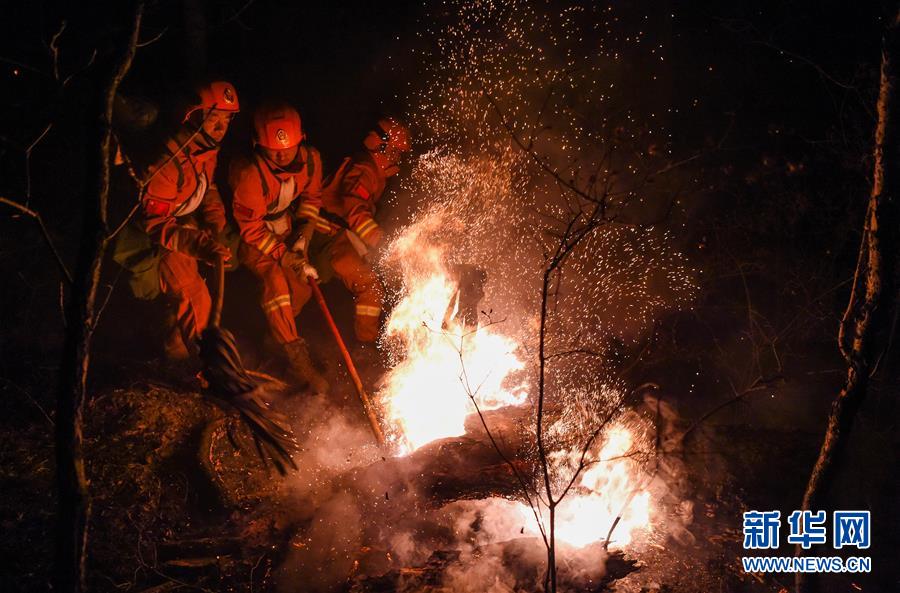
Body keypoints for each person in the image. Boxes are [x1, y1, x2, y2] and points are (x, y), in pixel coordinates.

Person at [113, 81, 238, 362]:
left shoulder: (205, 148)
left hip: (182, 228)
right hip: (153, 239)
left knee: (187, 303)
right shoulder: (168, 161)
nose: (221, 127)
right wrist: (200, 245)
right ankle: (208, 370)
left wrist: (215, 223)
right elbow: (157, 225)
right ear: (193, 115)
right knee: (194, 294)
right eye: (214, 118)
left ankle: (177, 357)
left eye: (227, 119)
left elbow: (208, 187)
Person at [228, 102, 329, 393]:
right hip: (251, 237)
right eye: (273, 150)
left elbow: (311, 200)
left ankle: (275, 338)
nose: (282, 154)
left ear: (301, 139)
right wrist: (285, 257)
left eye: (289, 147)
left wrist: (303, 236)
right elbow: (251, 230)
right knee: (276, 283)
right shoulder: (249, 174)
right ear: (257, 144)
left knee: (301, 288)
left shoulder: (310, 161)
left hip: (285, 228)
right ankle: (297, 360)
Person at [312, 117, 411, 342]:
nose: (396, 159)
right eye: (394, 152)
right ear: (380, 145)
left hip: (338, 234)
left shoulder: (371, 170)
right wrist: (381, 243)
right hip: (326, 236)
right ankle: (366, 343)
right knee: (370, 286)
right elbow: (355, 211)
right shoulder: (365, 169)